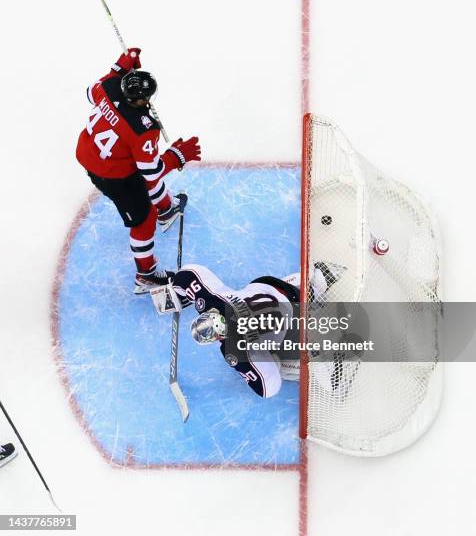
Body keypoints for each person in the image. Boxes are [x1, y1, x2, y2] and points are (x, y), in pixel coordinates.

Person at [76, 48, 201, 293]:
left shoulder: (109, 87)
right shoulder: (142, 129)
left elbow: (90, 93)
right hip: (113, 175)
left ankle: (166, 208)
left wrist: (118, 70)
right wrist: (176, 157)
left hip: (90, 154)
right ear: (141, 99)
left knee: (144, 180)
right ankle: (147, 274)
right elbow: (152, 172)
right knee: (144, 220)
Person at [152, 261, 344, 398]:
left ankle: (322, 354)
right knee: (275, 295)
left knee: (280, 365)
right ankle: (317, 281)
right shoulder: (213, 298)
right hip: (276, 286)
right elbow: (189, 272)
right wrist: (177, 288)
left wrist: (241, 367)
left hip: (298, 326)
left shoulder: (235, 348)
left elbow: (268, 389)